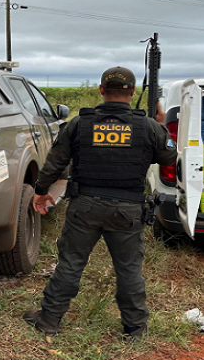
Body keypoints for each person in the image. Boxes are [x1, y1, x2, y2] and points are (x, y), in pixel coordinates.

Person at [23, 66, 177, 340]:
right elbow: (168, 159)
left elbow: (55, 162)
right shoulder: (148, 126)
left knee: (70, 263)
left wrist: (41, 190)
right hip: (127, 209)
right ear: (132, 92)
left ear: (102, 91)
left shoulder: (79, 123)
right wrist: (160, 124)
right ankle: (135, 328)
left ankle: (48, 320)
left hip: (85, 206)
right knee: (129, 268)